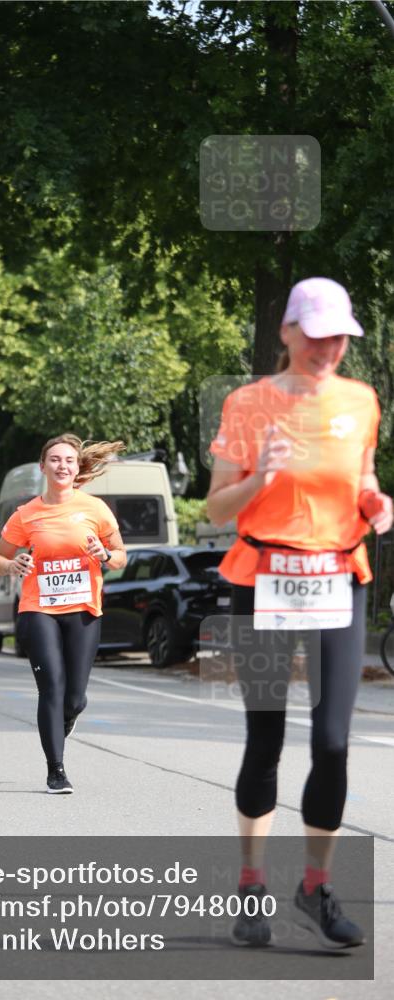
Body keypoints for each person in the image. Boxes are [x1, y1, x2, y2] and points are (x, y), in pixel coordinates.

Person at [207, 278, 393, 949]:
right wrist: (261, 478)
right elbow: (216, 508)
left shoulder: (360, 400)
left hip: (337, 578)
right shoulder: (247, 403)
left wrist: (377, 504)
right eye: (315, 336)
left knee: (333, 742)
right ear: (287, 332)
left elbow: (363, 476)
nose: (327, 348)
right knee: (264, 739)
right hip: (262, 578)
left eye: (339, 336)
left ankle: (314, 885)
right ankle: (251, 884)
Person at [0, 434, 127, 794]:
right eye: (55, 459)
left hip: (83, 607)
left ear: (77, 466)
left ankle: (64, 720)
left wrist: (103, 554)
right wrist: (12, 564)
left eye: (68, 459)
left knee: (75, 698)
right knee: (50, 688)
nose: (62, 465)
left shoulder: (95, 509)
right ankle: (56, 770)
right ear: (43, 467)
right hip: (39, 609)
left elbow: (120, 556)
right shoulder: (26, 513)